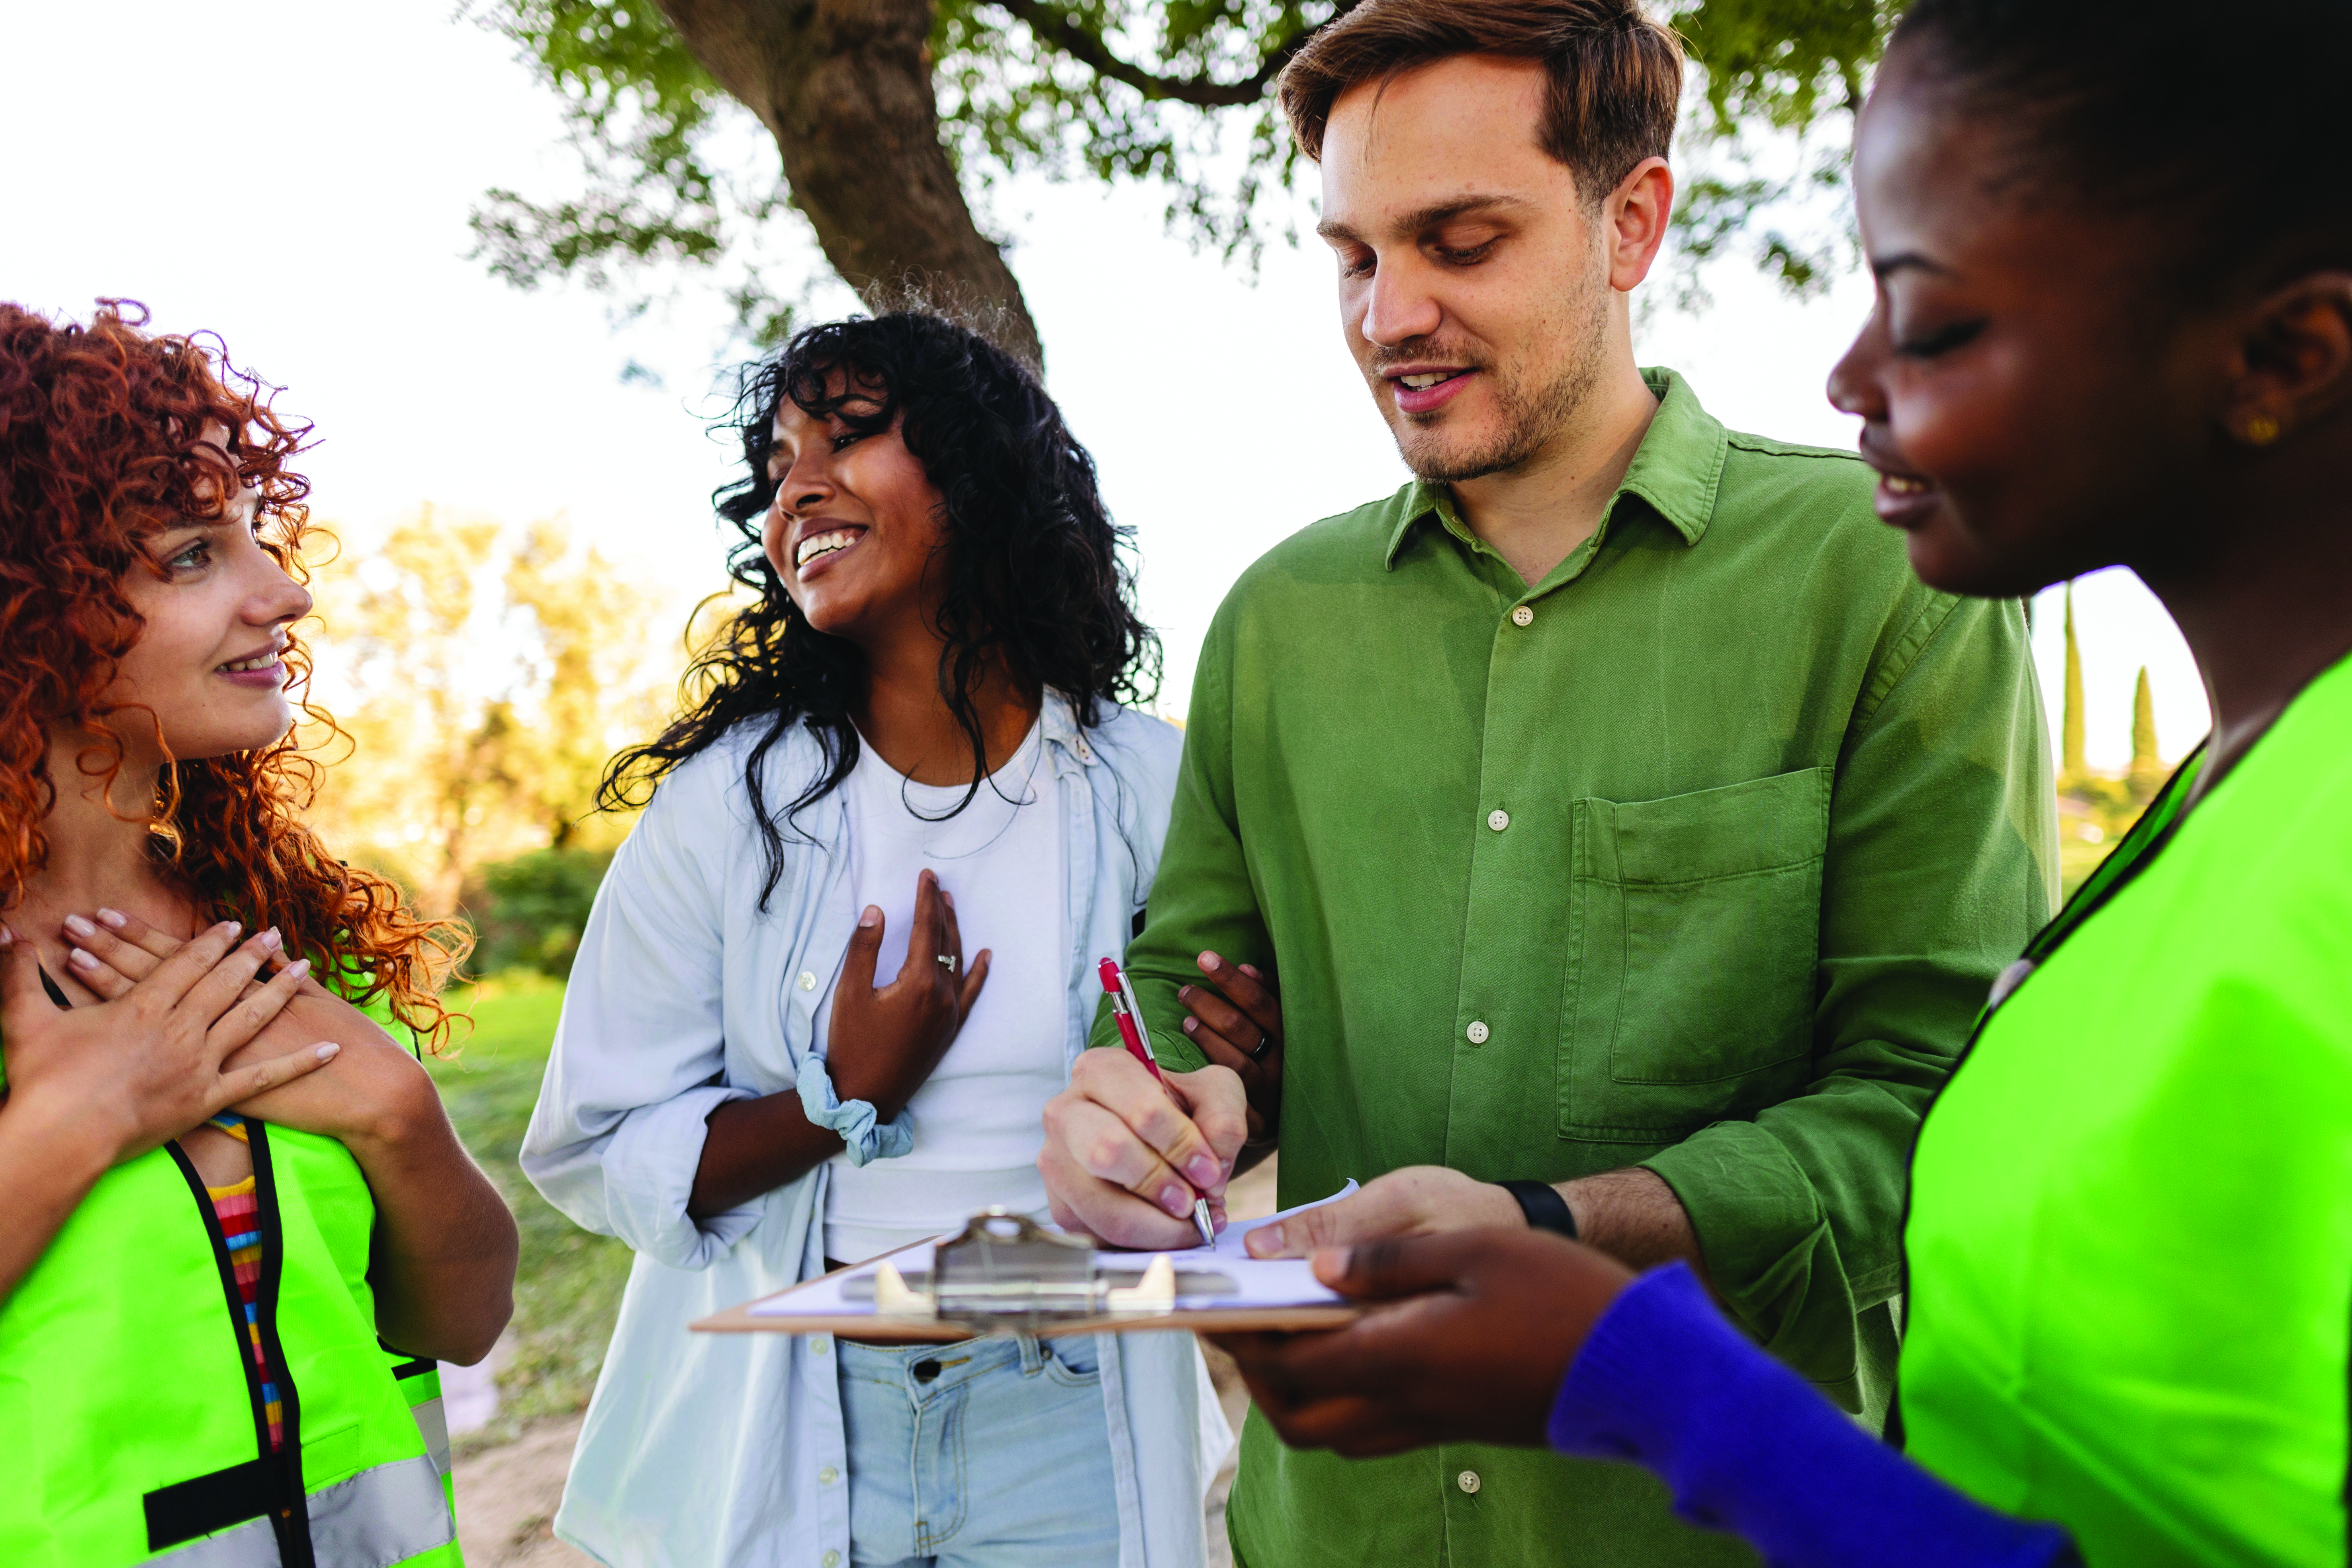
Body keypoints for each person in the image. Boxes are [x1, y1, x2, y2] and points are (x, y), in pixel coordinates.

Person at [1209, 1, 2352, 1564]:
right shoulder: (2217, 820)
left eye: (1935, 321)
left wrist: (1636, 1366)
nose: (1846, 377)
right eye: (1353, 255)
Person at [1035, 1, 2060, 1563]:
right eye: (1357, 257)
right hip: (1333, 1534)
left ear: (1630, 221)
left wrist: (1553, 1232)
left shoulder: (1885, 581)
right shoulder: (1274, 623)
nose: (1390, 315)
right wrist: (1170, 1102)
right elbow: (1193, 972)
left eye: (1459, 240)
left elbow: (1932, 1114)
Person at [521, 311, 1229, 1568]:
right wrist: (836, 1097)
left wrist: (1236, 1072)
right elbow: (594, 1149)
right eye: (782, 461)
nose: (798, 487)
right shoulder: (727, 812)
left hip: (1074, 1418)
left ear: (975, 469)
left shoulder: (1143, 788)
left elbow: (1233, 1090)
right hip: (801, 1428)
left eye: (849, 437)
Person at [0, 300, 519, 1567]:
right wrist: (85, 1118)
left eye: (255, 539)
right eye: (191, 556)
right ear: (30, 607)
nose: (283, 593)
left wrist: (395, 1107)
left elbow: (463, 1317)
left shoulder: (275, 927)